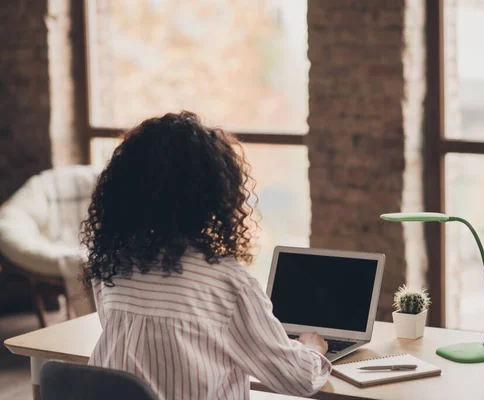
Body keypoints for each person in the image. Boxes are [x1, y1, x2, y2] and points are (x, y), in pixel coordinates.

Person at [82, 111, 331, 400]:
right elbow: (298, 380)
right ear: (214, 193)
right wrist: (313, 348)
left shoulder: (110, 268)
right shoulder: (228, 283)